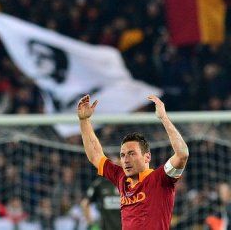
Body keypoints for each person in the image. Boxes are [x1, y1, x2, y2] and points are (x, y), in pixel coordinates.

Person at [77, 94, 189, 229]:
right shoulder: (121, 177)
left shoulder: (161, 178)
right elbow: (95, 155)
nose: (125, 160)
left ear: (147, 157)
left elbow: (182, 154)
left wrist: (164, 118)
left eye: (131, 154)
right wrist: (84, 120)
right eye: (122, 155)